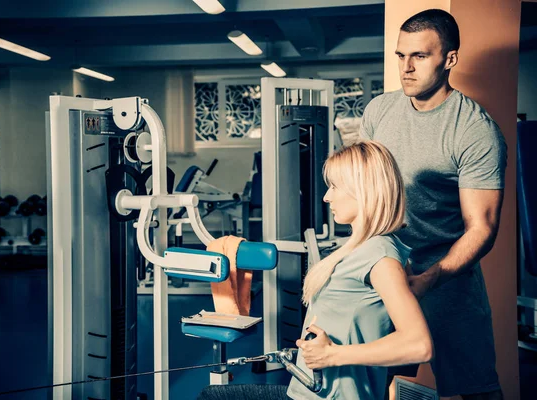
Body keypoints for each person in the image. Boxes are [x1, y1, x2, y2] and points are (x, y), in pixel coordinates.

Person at [198, 141, 433, 400]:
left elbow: (418, 345)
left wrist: (334, 355)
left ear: (363, 190)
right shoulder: (370, 248)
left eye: (334, 186)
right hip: (309, 391)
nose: (326, 196)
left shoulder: (379, 256)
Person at [358, 9, 507, 400]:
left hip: (446, 275)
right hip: (388, 267)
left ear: (450, 59)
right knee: (373, 379)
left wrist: (430, 279)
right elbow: (366, 191)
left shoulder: (475, 130)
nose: (406, 68)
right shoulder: (379, 111)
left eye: (420, 56)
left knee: (477, 389)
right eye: (400, 55)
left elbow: (482, 228)